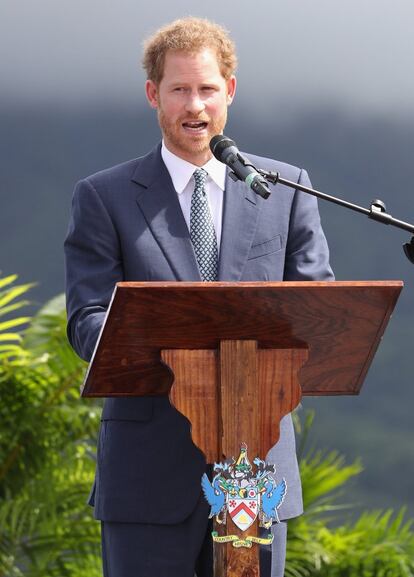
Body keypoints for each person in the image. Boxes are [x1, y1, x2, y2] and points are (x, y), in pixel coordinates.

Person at [64, 16, 334, 577]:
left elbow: (319, 313)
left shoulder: (283, 188)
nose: (196, 106)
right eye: (180, 89)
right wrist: (158, 340)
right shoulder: (104, 196)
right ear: (153, 95)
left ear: (229, 91)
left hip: (252, 471)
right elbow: (87, 321)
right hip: (145, 475)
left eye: (208, 89)